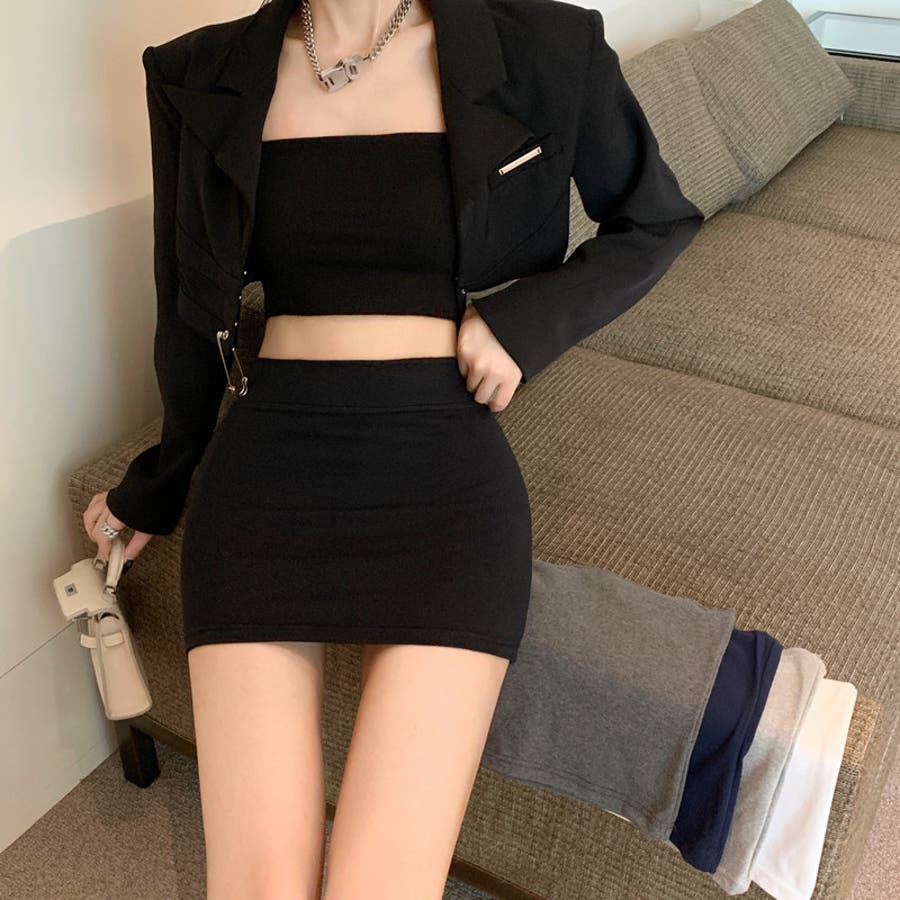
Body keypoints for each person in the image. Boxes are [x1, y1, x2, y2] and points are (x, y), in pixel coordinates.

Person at [81, 0, 704, 896]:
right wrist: (158, 485)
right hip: (264, 482)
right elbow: (183, 303)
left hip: (444, 485)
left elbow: (656, 218)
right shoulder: (197, 71)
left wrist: (523, 324)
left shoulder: (545, 46)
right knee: (256, 885)